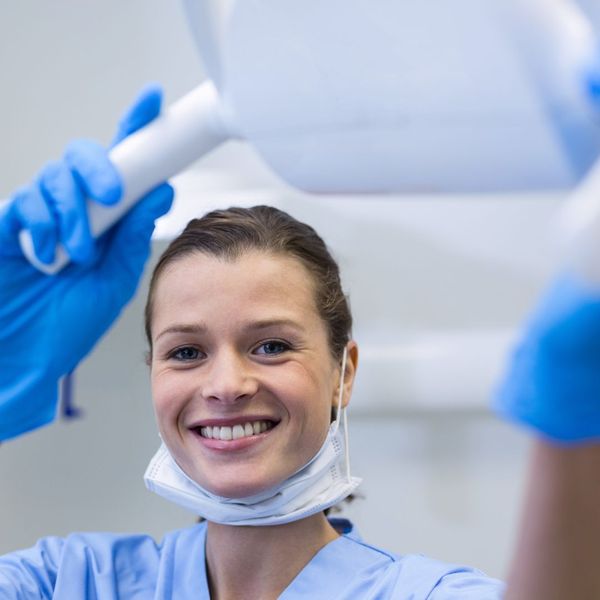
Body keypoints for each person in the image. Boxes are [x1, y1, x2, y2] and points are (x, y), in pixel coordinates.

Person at [1, 86, 600, 598]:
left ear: (344, 372)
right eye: (186, 352)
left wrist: (569, 435)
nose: (226, 385)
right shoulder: (70, 582)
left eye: (271, 346)